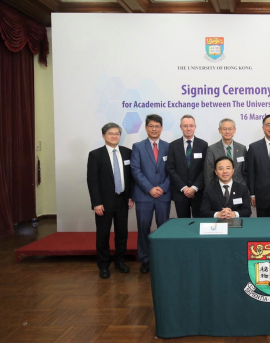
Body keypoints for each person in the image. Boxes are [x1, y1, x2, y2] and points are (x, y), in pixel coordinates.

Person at [87, 122, 134, 279]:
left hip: (122, 200)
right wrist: (96, 203)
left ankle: (120, 262)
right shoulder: (95, 155)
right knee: (103, 234)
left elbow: (131, 178)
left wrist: (130, 196)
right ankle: (103, 265)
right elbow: (92, 181)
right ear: (103, 136)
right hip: (104, 203)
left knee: (122, 233)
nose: (114, 136)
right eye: (111, 133)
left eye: (117, 134)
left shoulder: (127, 153)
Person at [131, 114, 171, 274]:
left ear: (161, 128)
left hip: (163, 195)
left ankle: (161, 259)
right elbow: (135, 170)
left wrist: (162, 187)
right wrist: (149, 188)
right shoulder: (138, 146)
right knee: (143, 228)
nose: (154, 129)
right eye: (151, 126)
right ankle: (145, 260)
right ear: (146, 128)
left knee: (163, 228)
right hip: (143, 195)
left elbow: (173, 170)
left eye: (157, 126)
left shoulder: (169, 147)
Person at [167, 114, 208, 218]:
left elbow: (205, 169)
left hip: (198, 192)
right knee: (183, 224)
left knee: (198, 224)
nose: (188, 128)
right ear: (180, 127)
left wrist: (194, 188)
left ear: (195, 127)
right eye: (185, 126)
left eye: (191, 125)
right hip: (180, 193)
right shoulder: (173, 146)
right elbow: (171, 169)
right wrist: (184, 188)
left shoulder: (203, 145)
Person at [204, 118, 247, 186]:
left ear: (234, 130)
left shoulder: (242, 148)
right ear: (219, 130)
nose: (227, 132)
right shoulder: (212, 149)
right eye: (224, 129)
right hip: (218, 188)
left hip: (239, 188)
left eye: (230, 129)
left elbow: (245, 172)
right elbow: (209, 174)